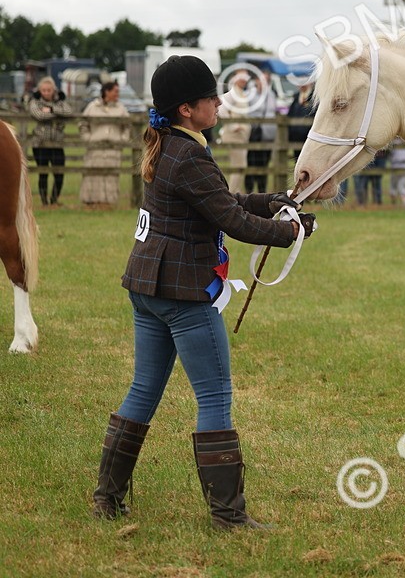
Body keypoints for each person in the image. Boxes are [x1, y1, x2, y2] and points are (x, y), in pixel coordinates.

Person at [91, 55, 316, 530]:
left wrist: (272, 202)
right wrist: (290, 233)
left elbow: (223, 201)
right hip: (183, 293)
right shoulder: (190, 154)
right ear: (187, 109)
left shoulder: (171, 145)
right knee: (214, 396)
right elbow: (230, 221)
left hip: (148, 288)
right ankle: (229, 517)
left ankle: (106, 499)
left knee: (143, 389)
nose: (219, 102)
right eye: (211, 97)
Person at [79, 81, 130, 207]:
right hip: (95, 148)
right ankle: (91, 201)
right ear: (107, 92)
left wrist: (122, 139)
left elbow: (127, 126)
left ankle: (109, 202)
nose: (117, 94)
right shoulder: (92, 107)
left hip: (113, 148)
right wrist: (89, 139)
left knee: (111, 174)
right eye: (115, 91)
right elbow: (83, 124)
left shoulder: (121, 108)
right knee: (93, 173)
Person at [27, 76, 72, 206]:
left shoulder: (60, 101)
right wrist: (58, 114)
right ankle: (44, 201)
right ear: (40, 91)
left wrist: (51, 109)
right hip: (40, 143)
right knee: (43, 172)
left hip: (57, 144)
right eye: (44, 90)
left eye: (49, 90)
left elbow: (69, 111)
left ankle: (54, 199)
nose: (46, 92)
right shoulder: (34, 101)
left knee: (59, 172)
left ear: (53, 90)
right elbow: (39, 115)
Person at [218, 70, 253, 194]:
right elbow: (221, 109)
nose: (244, 80)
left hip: (242, 136)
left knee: (240, 167)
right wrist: (233, 126)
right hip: (234, 135)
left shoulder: (241, 94)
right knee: (239, 166)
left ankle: (236, 192)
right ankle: (232, 194)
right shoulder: (232, 93)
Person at [245, 70, 277, 193]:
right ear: (256, 80)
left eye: (266, 80)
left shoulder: (271, 95)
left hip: (268, 135)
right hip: (253, 134)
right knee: (251, 163)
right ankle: (249, 191)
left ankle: (262, 191)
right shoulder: (249, 94)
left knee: (264, 164)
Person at [286, 81, 316, 162]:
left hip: (308, 138)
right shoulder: (296, 97)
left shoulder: (314, 97)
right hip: (295, 137)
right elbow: (290, 115)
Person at [389, 138, 405, 207]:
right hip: (397, 165)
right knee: (395, 185)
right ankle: (395, 203)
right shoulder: (403, 142)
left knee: (399, 186)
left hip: (400, 165)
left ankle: (402, 203)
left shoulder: (401, 142)